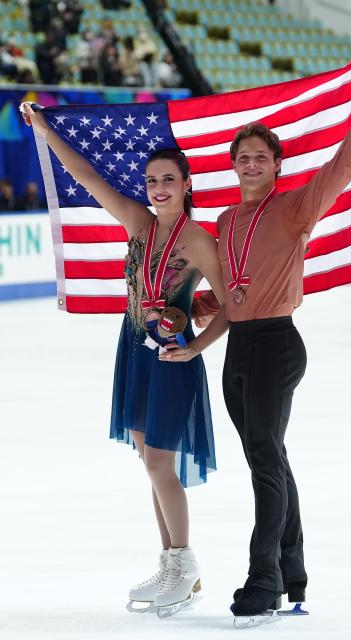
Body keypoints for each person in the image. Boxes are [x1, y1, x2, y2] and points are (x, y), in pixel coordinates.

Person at [162, 53, 351, 624]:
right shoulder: (224, 223)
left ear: (275, 164)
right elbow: (228, 294)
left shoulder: (294, 208)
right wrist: (184, 309)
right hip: (239, 345)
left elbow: (343, 164)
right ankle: (294, 573)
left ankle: (262, 579)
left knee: (266, 460)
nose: (249, 165)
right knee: (269, 459)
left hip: (278, 345)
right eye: (241, 158)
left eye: (258, 158)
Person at [20, 101, 228, 615]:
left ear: (186, 185)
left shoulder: (201, 241)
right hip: (134, 349)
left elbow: (231, 306)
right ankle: (172, 563)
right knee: (149, 461)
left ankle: (185, 563)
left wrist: (197, 346)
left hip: (172, 360)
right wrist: (45, 130)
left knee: (161, 460)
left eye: (168, 180)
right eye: (152, 180)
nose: (158, 189)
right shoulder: (137, 221)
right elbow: (86, 175)